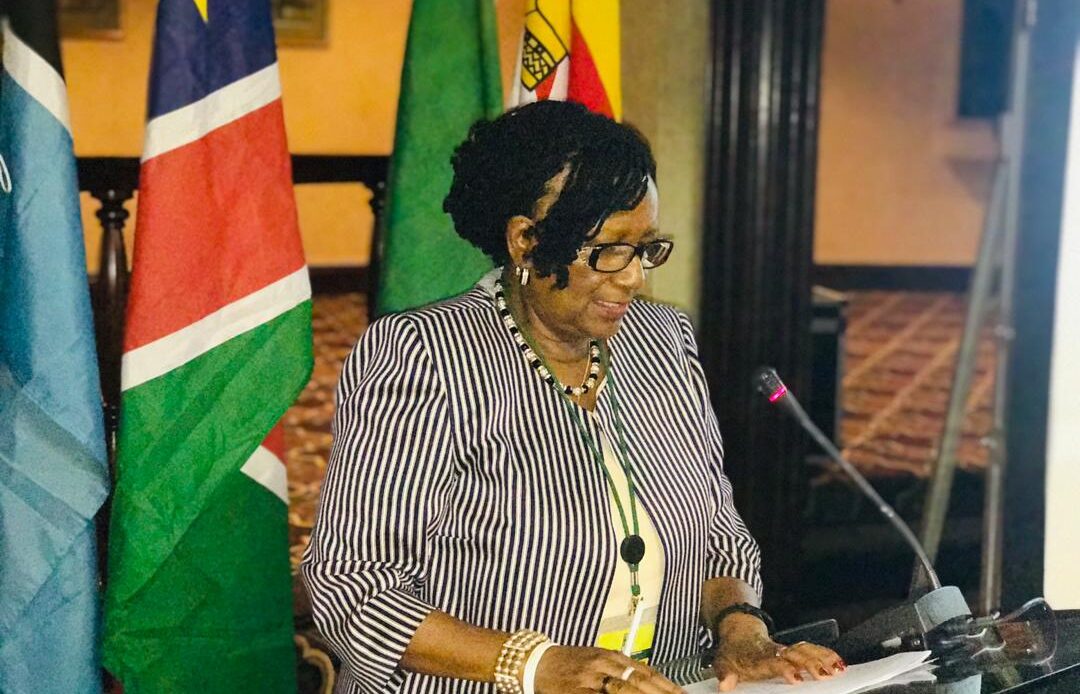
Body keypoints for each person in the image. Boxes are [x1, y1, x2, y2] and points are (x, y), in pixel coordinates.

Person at [302, 100, 845, 694]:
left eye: (645, 248)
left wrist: (742, 632)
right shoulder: (425, 355)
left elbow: (717, 532)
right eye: (610, 249)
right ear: (526, 241)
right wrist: (536, 665)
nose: (635, 276)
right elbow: (352, 586)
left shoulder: (663, 340)